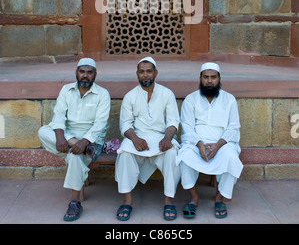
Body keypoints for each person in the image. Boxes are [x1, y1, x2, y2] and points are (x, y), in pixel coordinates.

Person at [38, 58, 111, 221]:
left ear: (95, 75)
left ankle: (74, 200)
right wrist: (62, 137)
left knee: (74, 155)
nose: (85, 75)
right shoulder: (66, 90)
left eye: (89, 72)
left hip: (91, 138)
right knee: (43, 131)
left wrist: (84, 142)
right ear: (76, 72)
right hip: (69, 134)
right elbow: (58, 115)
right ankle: (78, 148)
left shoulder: (103, 94)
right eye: (82, 71)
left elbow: (100, 124)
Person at [115, 56, 180, 221]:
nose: (145, 75)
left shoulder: (167, 94)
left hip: (160, 137)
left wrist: (167, 138)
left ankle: (169, 201)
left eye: (149, 71)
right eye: (142, 72)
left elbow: (173, 121)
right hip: (138, 137)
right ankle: (127, 201)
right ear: (137, 74)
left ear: (155, 73)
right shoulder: (130, 96)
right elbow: (125, 125)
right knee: (124, 153)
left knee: (172, 153)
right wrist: (135, 139)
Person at [176, 62, 243, 219]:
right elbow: (187, 127)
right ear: (200, 78)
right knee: (184, 157)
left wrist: (218, 145)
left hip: (222, 143)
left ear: (219, 79)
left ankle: (219, 198)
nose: (210, 81)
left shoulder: (230, 99)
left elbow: (233, 127)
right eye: (206, 77)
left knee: (231, 157)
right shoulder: (190, 99)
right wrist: (199, 144)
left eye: (213, 77)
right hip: (196, 143)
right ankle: (194, 197)